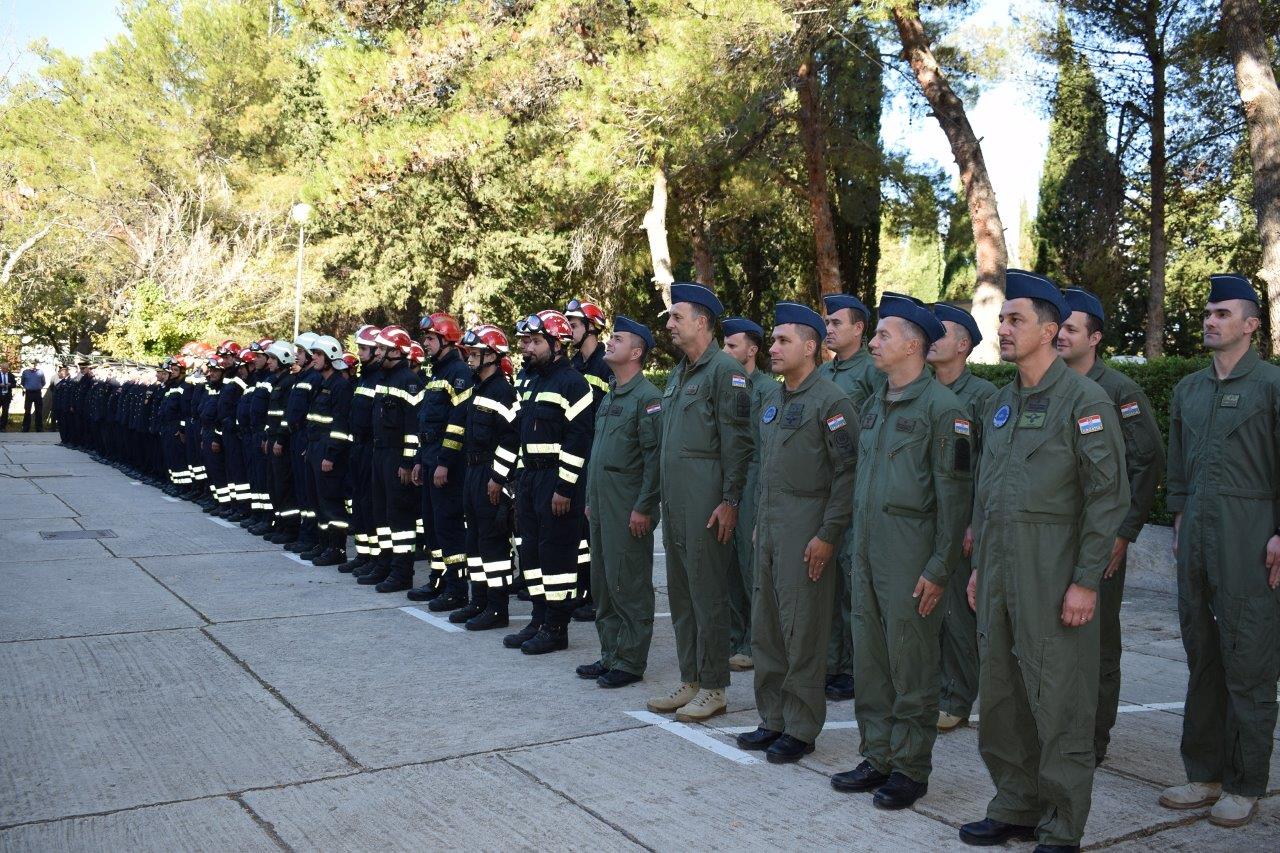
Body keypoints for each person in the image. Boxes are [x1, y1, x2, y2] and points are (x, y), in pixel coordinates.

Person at [959, 270, 1128, 852]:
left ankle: (1061, 824)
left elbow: (1108, 497)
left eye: (1015, 320)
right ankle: (1014, 803)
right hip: (1002, 569)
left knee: (1058, 699)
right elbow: (990, 493)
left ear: (1051, 331)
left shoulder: (1085, 400)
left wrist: (1085, 582)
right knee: (1001, 694)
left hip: (1052, 570)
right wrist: (981, 566)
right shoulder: (1001, 403)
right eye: (1002, 319)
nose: (1002, 329)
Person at [829, 294, 970, 808]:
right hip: (865, 552)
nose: (873, 341)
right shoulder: (873, 406)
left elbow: (955, 501)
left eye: (883, 334)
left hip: (911, 557)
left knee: (911, 663)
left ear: (914, 344)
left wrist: (939, 566)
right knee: (870, 660)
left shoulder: (944, 411)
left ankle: (910, 767)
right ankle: (878, 754)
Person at [1159, 274, 1280, 829]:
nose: (1211, 321)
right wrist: (1180, 517)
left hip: (1250, 536)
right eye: (1208, 312)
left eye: (1223, 313)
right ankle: (1203, 774)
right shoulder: (1188, 390)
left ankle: (1245, 782)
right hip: (1197, 541)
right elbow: (1178, 469)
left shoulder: (1271, 387)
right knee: (1202, 656)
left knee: (1249, 659)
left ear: (1251, 326)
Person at [734, 302, 856, 763]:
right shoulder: (771, 399)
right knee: (766, 628)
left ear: (810, 347)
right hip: (769, 527)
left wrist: (828, 534)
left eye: (784, 340)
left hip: (807, 529)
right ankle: (773, 719)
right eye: (773, 340)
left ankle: (802, 726)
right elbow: (765, 468)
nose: (774, 348)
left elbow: (847, 474)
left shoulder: (832, 402)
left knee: (801, 629)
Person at [1056, 287, 1164, 765]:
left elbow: (1148, 463)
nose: (1060, 335)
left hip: (1101, 537)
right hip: (1053, 537)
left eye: (1071, 329)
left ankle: (1093, 739)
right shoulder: (1049, 385)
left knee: (1098, 643)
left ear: (1095, 338)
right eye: (1058, 326)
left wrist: (1123, 532)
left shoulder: (1120, 392)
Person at [647, 284, 752, 722]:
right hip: (677, 504)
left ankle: (714, 686)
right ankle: (691, 677)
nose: (669, 324)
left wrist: (730, 500)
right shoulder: (679, 375)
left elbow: (739, 443)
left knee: (708, 594)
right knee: (684, 593)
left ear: (703, 322)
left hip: (706, 502)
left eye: (677, 317)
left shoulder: (725, 373)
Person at [577, 316, 662, 688]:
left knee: (629, 583)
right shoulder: (612, 395)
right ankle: (610, 653)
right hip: (602, 504)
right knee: (604, 583)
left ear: (637, 351)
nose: (610, 343)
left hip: (628, 507)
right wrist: (590, 498)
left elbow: (654, 459)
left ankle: (630, 660)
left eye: (618, 338)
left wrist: (644, 506)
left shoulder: (648, 398)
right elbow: (599, 453)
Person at [503, 309, 593, 655]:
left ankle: (557, 627)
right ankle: (538, 618)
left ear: (557, 345)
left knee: (556, 555)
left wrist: (564, 488)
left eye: (535, 341)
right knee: (531, 552)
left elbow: (579, 439)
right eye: (526, 341)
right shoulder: (532, 381)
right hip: (530, 479)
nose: (527, 347)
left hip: (556, 480)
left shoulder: (572, 383)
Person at [927, 303, 998, 733]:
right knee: (926, 612)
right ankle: (931, 688)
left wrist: (974, 522)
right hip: (924, 521)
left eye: (942, 331)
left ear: (963, 345)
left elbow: (989, 470)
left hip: (961, 524)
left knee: (956, 614)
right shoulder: (919, 390)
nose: (932, 336)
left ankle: (955, 697)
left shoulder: (984, 398)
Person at [819, 293, 881, 702]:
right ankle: (834, 662)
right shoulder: (825, 372)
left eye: (838, 322)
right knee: (829, 583)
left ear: (859, 328)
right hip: (826, 491)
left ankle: (858, 669)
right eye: (828, 322)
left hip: (857, 489)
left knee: (854, 586)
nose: (830, 328)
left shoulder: (872, 371)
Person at [455, 325, 520, 630]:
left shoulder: (502, 390)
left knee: (493, 542)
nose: (470, 358)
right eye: (469, 353)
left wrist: (498, 477)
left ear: (493, 356)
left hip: (489, 475)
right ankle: (478, 601)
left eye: (476, 353)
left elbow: (511, 439)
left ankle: (497, 608)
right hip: (472, 471)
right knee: (475, 541)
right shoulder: (477, 387)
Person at [407, 312, 474, 609]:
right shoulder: (437, 374)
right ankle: (438, 578)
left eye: (431, 338)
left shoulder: (459, 373)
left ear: (447, 340)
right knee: (432, 525)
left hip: (449, 465)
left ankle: (456, 588)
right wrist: (421, 459)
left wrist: (445, 461)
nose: (426, 343)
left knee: (448, 526)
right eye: (426, 338)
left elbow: (457, 425)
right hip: (431, 459)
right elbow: (427, 422)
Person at [721, 316, 774, 674]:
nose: (725, 351)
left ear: (752, 351)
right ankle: (736, 635)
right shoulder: (726, 382)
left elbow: (766, 447)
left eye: (732, 346)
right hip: (730, 477)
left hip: (754, 478)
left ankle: (755, 641)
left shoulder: (767, 389)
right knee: (730, 566)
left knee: (751, 564)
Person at [355, 326, 422, 593]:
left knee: (399, 516)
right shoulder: (384, 380)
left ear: (396, 351)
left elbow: (413, 428)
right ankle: (384, 564)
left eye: (382, 348)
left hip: (397, 457)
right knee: (380, 512)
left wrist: (407, 463)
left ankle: (402, 571)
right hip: (379, 453)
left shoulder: (409, 381)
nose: (377, 352)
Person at [341, 325, 384, 574]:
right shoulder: (364, 376)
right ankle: (363, 553)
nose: (359, 353)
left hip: (371, 448)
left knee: (370, 506)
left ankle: (376, 558)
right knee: (359, 504)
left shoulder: (379, 378)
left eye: (363, 348)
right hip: (358, 447)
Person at [21, 360, 46, 431]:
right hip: (29, 393)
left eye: (34, 364)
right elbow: (23, 382)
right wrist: (28, 386)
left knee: (39, 410)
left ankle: (39, 428)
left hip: (37, 393)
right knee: (27, 410)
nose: (32, 365)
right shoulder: (25, 372)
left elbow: (43, 382)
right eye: (31, 364)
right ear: (28, 364)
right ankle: (25, 428)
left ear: (36, 365)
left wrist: (37, 386)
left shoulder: (40, 372)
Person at [0, 360, 14, 430]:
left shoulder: (11, 375)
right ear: (1, 368)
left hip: (7, 396)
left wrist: (10, 385)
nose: (5, 370)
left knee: (5, 411)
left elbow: (14, 384)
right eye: (4, 369)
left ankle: (2, 427)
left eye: (6, 369)